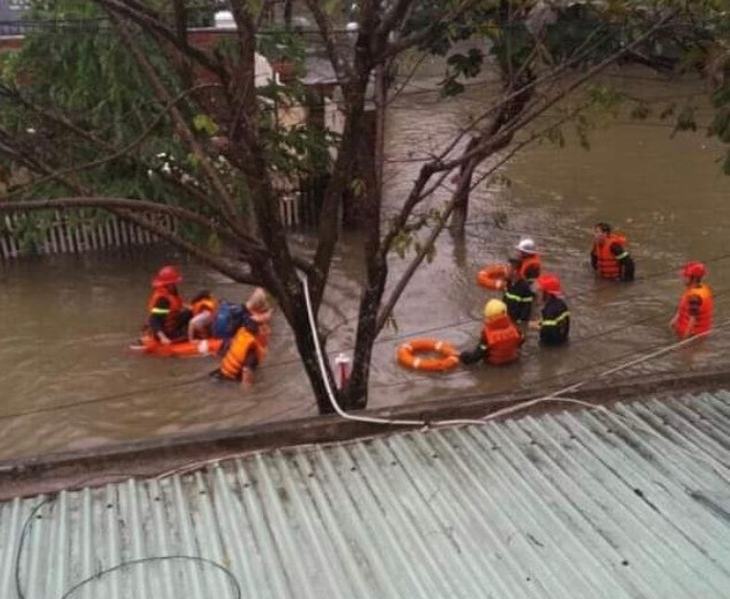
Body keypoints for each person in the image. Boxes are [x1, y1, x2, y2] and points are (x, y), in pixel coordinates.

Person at [216, 287, 274, 388]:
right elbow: (246, 380)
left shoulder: (244, 330)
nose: (269, 332)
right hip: (227, 383)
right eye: (266, 330)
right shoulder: (253, 351)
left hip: (222, 374)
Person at [460, 299, 523, 366]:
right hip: (512, 359)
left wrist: (465, 357)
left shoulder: (487, 333)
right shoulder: (514, 328)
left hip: (494, 363)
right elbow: (521, 340)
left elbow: (480, 352)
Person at [146, 265, 192, 345]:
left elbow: (177, 304)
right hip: (166, 331)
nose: (176, 285)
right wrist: (163, 338)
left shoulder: (170, 292)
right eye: (174, 283)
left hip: (171, 322)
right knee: (187, 334)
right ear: (169, 284)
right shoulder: (163, 300)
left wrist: (191, 308)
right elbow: (154, 320)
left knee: (189, 312)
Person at [670, 261, 713, 339]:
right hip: (689, 330)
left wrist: (685, 339)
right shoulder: (697, 289)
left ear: (694, 278)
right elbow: (683, 308)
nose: (682, 278)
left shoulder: (695, 297)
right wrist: (674, 321)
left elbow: (692, 320)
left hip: (693, 335)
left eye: (685, 276)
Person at [530, 273, 570, 346]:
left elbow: (548, 331)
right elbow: (554, 323)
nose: (538, 294)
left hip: (551, 345)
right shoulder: (561, 304)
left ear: (547, 293)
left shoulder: (549, 310)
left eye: (540, 291)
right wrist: (540, 322)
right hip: (563, 340)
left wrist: (535, 327)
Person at [502, 257, 535, 326]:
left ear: (515, 271)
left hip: (515, 324)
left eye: (507, 268)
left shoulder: (525, 288)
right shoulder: (508, 283)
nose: (505, 270)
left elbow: (526, 312)